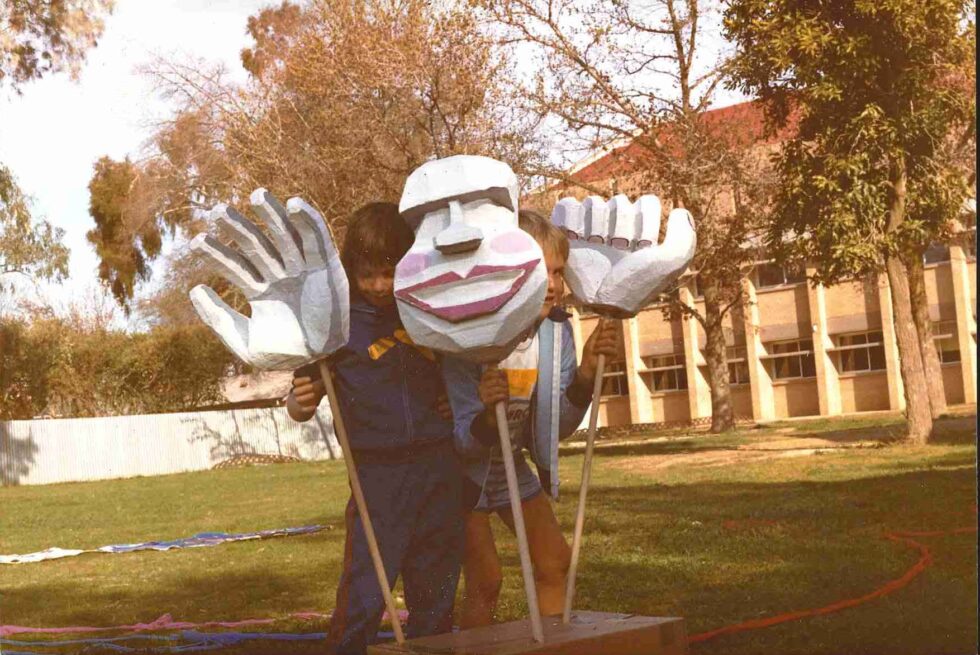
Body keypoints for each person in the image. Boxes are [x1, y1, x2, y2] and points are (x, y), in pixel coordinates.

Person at [287, 202, 462, 655]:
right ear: (351, 269)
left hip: (438, 464)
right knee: (366, 588)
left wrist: (453, 398)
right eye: (368, 275)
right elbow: (303, 397)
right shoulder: (335, 323)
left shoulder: (427, 308)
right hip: (376, 475)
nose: (381, 286)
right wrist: (297, 403)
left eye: (391, 272)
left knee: (436, 587)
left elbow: (462, 370)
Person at [442, 209, 619, 628]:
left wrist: (586, 376)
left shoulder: (555, 330)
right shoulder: (468, 338)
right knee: (486, 580)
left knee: (555, 563)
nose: (555, 286)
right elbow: (463, 441)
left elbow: (553, 428)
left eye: (559, 272)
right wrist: (487, 414)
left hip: (509, 465)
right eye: (543, 273)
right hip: (461, 472)